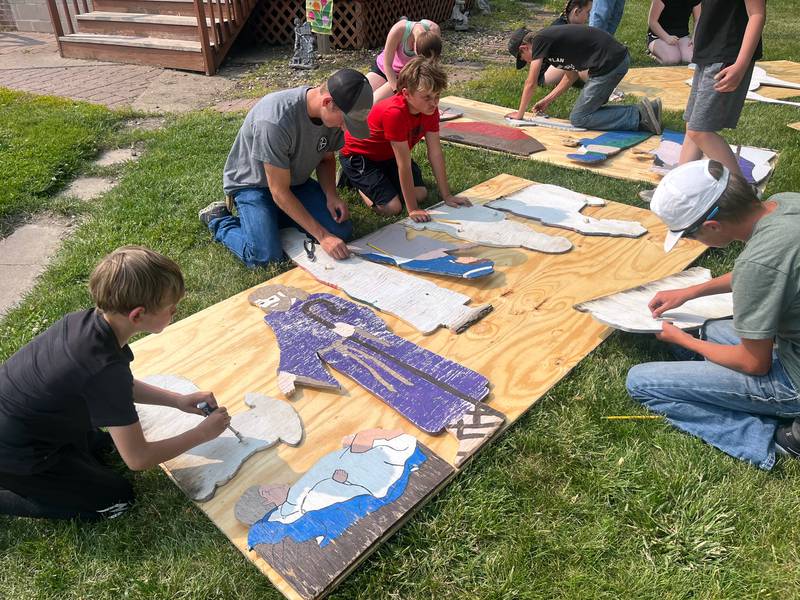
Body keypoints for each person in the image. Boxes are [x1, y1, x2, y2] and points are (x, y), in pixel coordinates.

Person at [0, 246, 232, 520]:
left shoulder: (87, 324)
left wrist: (177, 400)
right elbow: (139, 459)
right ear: (137, 315)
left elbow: (120, 388)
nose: (175, 311)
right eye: (171, 309)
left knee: (103, 447)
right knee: (118, 499)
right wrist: (202, 434)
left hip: (28, 427)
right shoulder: (103, 370)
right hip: (17, 455)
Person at [626, 160, 800, 470]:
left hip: (794, 381)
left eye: (690, 235)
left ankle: (773, 440)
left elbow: (754, 363)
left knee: (640, 382)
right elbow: (769, 271)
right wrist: (690, 292)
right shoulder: (786, 204)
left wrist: (680, 339)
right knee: (711, 329)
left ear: (712, 226)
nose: (694, 241)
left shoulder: (758, 264)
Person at [200, 69, 373, 267]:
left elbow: (326, 159)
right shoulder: (274, 121)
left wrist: (331, 195)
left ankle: (274, 217)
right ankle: (219, 220)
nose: (344, 128)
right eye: (345, 122)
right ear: (327, 103)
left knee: (341, 231)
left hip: (294, 181)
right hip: (253, 185)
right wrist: (323, 236)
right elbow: (279, 192)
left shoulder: (331, 118)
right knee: (265, 256)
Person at [339, 57, 470, 222]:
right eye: (427, 97)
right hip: (359, 156)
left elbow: (435, 153)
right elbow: (403, 164)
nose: (434, 103)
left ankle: (381, 180)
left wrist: (447, 195)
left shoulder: (430, 110)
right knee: (392, 208)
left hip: (387, 155)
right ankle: (353, 181)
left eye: (437, 95)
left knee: (420, 194)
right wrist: (412, 209)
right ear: (406, 93)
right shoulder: (395, 113)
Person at [507, 25, 662, 133]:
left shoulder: (540, 40)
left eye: (524, 59)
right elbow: (571, 76)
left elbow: (531, 82)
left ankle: (640, 116)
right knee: (587, 113)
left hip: (610, 63)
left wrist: (520, 115)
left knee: (580, 118)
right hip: (611, 62)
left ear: (524, 48)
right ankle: (647, 111)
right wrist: (548, 100)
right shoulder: (549, 45)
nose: (528, 63)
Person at [678, 0, 765, 177]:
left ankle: (744, 192)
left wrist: (740, 65)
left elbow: (757, 14)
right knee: (693, 126)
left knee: (700, 131)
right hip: (708, 51)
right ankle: (677, 187)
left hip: (728, 56)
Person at [366, 17, 442, 104]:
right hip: (384, 68)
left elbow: (433, 66)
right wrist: (397, 92)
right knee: (360, 95)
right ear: (414, 44)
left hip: (404, 76)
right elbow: (387, 64)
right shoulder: (398, 30)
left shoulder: (434, 30)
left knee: (374, 102)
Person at [539, 0, 593, 87]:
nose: (589, 17)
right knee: (579, 58)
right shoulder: (561, 29)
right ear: (576, 12)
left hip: (558, 67)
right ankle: (599, 85)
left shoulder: (567, 24)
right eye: (588, 12)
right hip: (545, 76)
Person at [647, 0, 701, 65]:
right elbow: (652, 22)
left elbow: (698, 19)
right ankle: (652, 53)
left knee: (692, 58)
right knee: (673, 59)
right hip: (659, 36)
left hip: (682, 36)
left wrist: (695, 37)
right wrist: (666, 38)